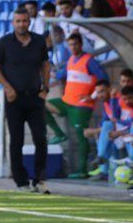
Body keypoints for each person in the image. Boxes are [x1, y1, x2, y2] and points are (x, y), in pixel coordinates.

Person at [0, 8, 52, 193]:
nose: (21, 24)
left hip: (35, 97)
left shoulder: (39, 41)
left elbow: (45, 64)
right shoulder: (4, 43)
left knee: (41, 139)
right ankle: (21, 181)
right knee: (16, 140)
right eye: (18, 21)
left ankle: (39, 179)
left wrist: (45, 87)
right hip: (14, 98)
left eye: (24, 21)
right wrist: (7, 87)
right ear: (13, 23)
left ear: (29, 22)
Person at [45, 33, 108, 178]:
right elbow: (60, 75)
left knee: (81, 136)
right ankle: (59, 134)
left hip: (81, 105)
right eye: (70, 45)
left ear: (81, 45)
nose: (73, 47)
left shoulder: (89, 61)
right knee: (41, 104)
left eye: (75, 44)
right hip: (66, 101)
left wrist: (92, 96)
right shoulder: (71, 60)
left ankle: (82, 170)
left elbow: (104, 78)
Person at [84, 79, 120, 181]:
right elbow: (103, 123)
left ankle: (101, 158)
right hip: (113, 134)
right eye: (98, 92)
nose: (100, 95)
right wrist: (95, 131)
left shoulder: (116, 100)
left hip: (123, 132)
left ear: (109, 89)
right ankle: (103, 170)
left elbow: (115, 119)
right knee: (102, 133)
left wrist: (94, 131)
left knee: (106, 126)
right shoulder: (105, 104)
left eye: (102, 91)